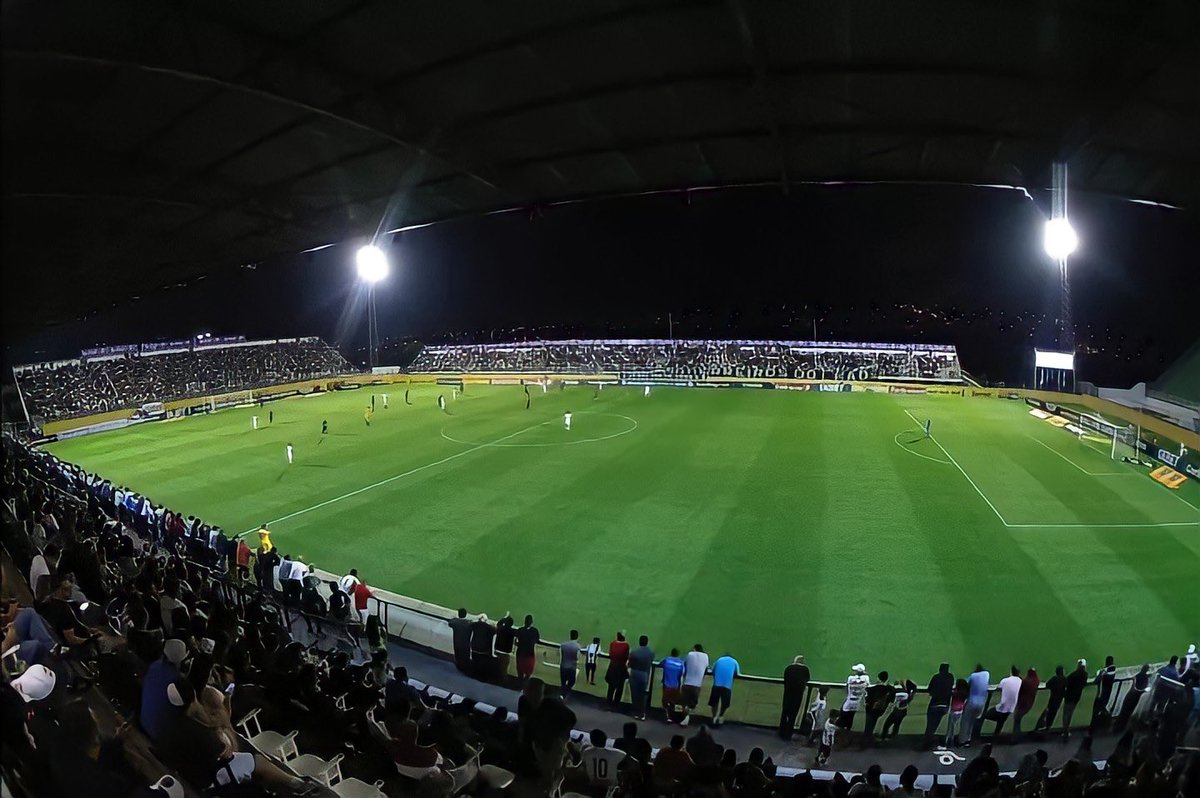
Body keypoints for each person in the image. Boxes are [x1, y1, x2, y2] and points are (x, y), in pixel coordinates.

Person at [922, 662, 954, 749]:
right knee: (934, 725)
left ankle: (926, 745)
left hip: (934, 705)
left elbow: (930, 690)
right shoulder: (950, 677)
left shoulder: (936, 677)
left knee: (930, 726)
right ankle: (928, 743)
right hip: (945, 706)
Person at [958, 664, 989, 747]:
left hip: (972, 702)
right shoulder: (987, 674)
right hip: (982, 703)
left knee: (965, 722)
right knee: (972, 722)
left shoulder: (973, 676)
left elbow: (967, 683)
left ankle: (962, 741)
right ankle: (969, 740)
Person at [780, 654, 811, 739]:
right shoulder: (805, 669)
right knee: (793, 715)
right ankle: (788, 734)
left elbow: (785, 678)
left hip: (787, 694)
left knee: (785, 713)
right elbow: (807, 679)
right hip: (797, 695)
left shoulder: (789, 668)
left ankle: (781, 732)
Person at [986, 666, 1022, 737]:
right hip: (1011, 707)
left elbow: (998, 688)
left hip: (1002, 707)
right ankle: (996, 736)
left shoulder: (1005, 680)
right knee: (1001, 720)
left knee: (986, 715)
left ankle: (979, 735)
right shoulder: (1020, 681)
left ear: (1011, 672)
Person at [681, 643, 709, 726]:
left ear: (695, 649)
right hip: (697, 685)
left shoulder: (690, 654)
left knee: (684, 702)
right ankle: (686, 717)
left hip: (687, 683)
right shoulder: (706, 656)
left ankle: (684, 718)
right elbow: (706, 669)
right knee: (691, 704)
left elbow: (684, 665)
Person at [709, 652, 740, 726]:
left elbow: (713, 670)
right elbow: (737, 674)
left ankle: (714, 717)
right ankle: (720, 716)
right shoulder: (734, 662)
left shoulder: (719, 660)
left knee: (714, 703)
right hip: (727, 686)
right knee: (725, 704)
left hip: (716, 685)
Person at [863, 671, 894, 743]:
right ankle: (869, 738)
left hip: (870, 710)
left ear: (878, 678)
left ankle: (866, 740)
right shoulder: (890, 689)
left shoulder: (871, 689)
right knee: (873, 722)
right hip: (881, 710)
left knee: (868, 725)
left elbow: (867, 701)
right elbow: (891, 699)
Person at [629, 635, 655, 720]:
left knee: (635, 694)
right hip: (644, 675)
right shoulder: (651, 653)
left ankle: (636, 712)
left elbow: (630, 664)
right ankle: (642, 713)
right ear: (647, 642)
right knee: (643, 695)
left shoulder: (634, 652)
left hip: (635, 674)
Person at [1062, 658, 1088, 736]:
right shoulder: (1085, 675)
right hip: (1076, 697)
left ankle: (1065, 731)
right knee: (1070, 713)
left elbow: (1066, 682)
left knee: (1066, 713)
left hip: (1069, 696)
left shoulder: (1073, 675)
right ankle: (1066, 730)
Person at [1036, 665, 1067, 732]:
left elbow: (1047, 685)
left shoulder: (1054, 679)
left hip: (1053, 699)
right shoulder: (1064, 679)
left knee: (1049, 712)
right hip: (1059, 700)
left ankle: (1044, 726)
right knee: (1053, 713)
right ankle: (1048, 727)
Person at [1091, 655, 1118, 730]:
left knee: (1095, 712)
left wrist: (1100, 674)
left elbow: (1095, 681)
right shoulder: (1114, 670)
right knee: (1102, 709)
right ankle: (1101, 726)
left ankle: (1092, 729)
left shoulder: (1103, 672)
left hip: (1100, 695)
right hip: (1107, 695)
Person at [604, 631, 630, 708]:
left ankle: (608, 704)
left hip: (612, 667)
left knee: (611, 687)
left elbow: (611, 654)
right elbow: (626, 657)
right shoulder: (626, 645)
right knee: (619, 688)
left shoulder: (613, 644)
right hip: (621, 668)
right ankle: (616, 705)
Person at [660, 648, 686, 723]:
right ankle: (674, 716)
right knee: (674, 701)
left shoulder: (666, 660)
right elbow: (682, 673)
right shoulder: (681, 663)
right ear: (678, 654)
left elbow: (660, 664)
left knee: (665, 701)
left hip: (666, 684)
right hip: (676, 685)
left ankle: (668, 716)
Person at [1012, 667, 1040, 737]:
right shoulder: (1036, 681)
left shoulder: (1026, 682)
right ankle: (1017, 736)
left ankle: (1016, 737)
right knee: (1017, 720)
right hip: (1029, 704)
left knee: (1017, 720)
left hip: (1023, 704)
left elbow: (1021, 685)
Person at [842, 663, 870, 731]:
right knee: (851, 715)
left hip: (849, 700)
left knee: (843, 713)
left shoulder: (851, 678)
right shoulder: (866, 678)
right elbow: (868, 687)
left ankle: (843, 728)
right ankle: (848, 729)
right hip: (857, 702)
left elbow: (847, 687)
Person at [470, 613, 496, 682]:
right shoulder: (489, 628)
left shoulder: (474, 625)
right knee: (482, 664)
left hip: (474, 648)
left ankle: (474, 676)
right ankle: (481, 678)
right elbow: (495, 630)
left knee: (475, 662)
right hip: (483, 650)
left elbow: (470, 622)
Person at [514, 614, 541, 681]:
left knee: (520, 673)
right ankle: (524, 686)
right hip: (529, 655)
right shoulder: (534, 631)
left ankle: (520, 685)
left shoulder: (520, 630)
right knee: (528, 673)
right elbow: (536, 640)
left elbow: (516, 641)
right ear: (531, 622)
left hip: (520, 654)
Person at [448, 608, 473, 673]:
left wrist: (454, 618)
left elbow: (450, 622)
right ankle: (465, 670)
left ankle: (459, 668)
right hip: (465, 644)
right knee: (465, 657)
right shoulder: (469, 623)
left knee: (458, 656)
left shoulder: (455, 622)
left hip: (457, 643)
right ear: (466, 614)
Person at [559, 629, 581, 699]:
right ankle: (563, 694)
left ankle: (562, 694)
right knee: (571, 682)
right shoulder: (578, 646)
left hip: (563, 666)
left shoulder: (563, 645)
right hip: (572, 667)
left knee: (563, 682)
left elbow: (559, 654)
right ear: (577, 637)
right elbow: (577, 658)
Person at [946, 678, 967, 747]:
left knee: (950, 728)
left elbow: (950, 693)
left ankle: (949, 742)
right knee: (955, 727)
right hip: (960, 711)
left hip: (953, 710)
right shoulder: (965, 692)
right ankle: (954, 741)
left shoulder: (955, 692)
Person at [494, 614, 515, 679]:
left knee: (495, 670)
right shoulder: (512, 631)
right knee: (503, 672)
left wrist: (504, 618)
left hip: (497, 652)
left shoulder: (500, 628)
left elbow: (498, 624)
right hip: (505, 654)